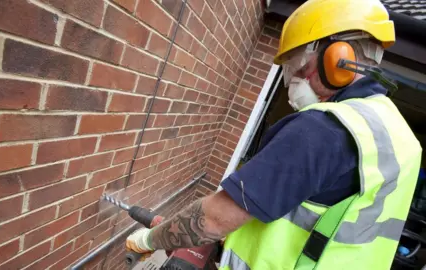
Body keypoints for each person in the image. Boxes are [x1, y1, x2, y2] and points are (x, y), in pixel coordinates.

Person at [126, 0, 423, 268]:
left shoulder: (323, 130)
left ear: (337, 57)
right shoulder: (399, 137)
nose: (294, 80)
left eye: (298, 64)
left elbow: (213, 220)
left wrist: (149, 240)